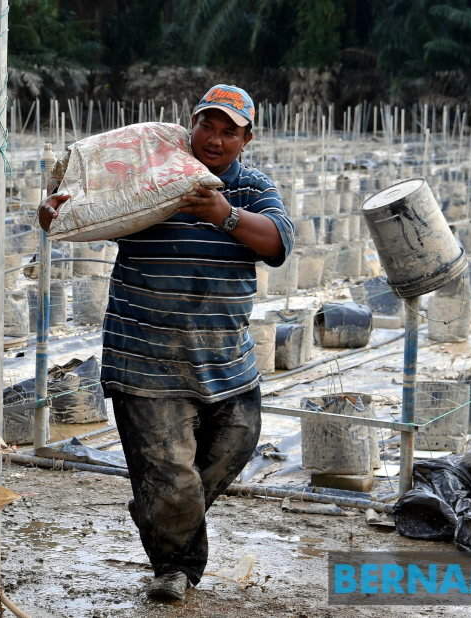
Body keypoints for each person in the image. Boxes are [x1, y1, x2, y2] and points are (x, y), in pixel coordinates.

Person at [38, 85, 295, 602]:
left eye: (229, 132)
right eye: (207, 126)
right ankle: (175, 567)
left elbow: (279, 244)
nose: (215, 140)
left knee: (237, 445)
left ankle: (158, 506)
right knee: (172, 472)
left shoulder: (251, 189)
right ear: (191, 124)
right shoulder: (148, 179)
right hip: (145, 358)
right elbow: (76, 216)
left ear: (247, 139)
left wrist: (222, 214)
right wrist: (53, 212)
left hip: (225, 359)